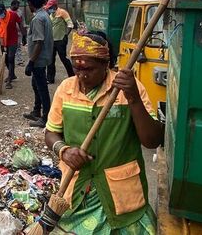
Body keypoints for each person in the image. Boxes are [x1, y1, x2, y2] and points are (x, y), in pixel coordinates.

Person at [41, 31, 163, 234]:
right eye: (76, 68)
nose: (81, 75)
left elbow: (152, 140)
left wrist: (133, 97)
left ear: (106, 64)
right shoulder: (66, 89)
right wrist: (63, 150)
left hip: (121, 196)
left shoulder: (129, 89)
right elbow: (51, 132)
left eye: (88, 69)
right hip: (77, 191)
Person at [23, 0, 54, 128]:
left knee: (41, 88)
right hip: (44, 57)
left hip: (38, 60)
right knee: (36, 85)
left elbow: (39, 42)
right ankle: (36, 110)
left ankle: (46, 117)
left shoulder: (37, 19)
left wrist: (31, 62)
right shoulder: (45, 15)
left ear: (31, 4)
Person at [44, 0, 75, 84]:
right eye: (48, 7)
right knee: (50, 60)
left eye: (50, 7)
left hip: (61, 39)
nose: (49, 9)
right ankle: (50, 78)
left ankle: (72, 76)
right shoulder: (50, 15)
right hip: (52, 41)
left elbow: (70, 24)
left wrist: (66, 35)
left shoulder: (62, 12)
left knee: (63, 58)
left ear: (55, 6)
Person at [0, 3, 22, 89]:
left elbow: (20, 22)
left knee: (10, 58)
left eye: (1, 12)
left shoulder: (12, 15)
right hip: (3, 41)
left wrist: (22, 35)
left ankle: (9, 80)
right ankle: (12, 74)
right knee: (5, 58)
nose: (0, 14)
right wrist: (0, 41)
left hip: (13, 40)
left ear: (5, 11)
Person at [9, 0, 27, 66]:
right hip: (10, 32)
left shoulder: (20, 12)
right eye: (17, 5)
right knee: (10, 46)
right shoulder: (8, 12)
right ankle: (10, 60)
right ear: (12, 5)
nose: (18, 7)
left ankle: (19, 60)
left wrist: (24, 34)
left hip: (18, 32)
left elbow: (22, 22)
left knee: (18, 46)